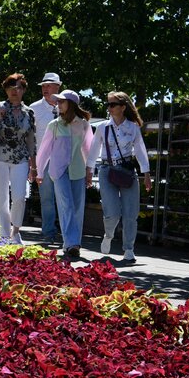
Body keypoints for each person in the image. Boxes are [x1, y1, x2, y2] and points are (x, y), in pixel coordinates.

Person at [88, 91, 151, 265]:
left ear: (123, 107)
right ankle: (108, 235)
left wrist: (146, 173)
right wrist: (89, 170)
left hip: (127, 171)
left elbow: (140, 150)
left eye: (113, 104)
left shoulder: (133, 127)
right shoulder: (103, 127)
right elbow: (94, 149)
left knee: (131, 213)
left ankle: (128, 249)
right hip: (107, 170)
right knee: (112, 212)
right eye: (108, 104)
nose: (109, 107)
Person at [35, 89, 93, 258]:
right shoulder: (54, 125)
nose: (58, 104)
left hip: (78, 171)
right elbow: (44, 150)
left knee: (77, 207)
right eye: (58, 102)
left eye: (61, 101)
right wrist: (39, 171)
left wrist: (90, 170)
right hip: (58, 171)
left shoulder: (83, 124)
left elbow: (88, 149)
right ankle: (71, 243)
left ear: (71, 104)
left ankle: (72, 242)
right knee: (66, 204)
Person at [0, 73, 37, 244]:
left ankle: (16, 230)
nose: (15, 90)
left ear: (24, 90)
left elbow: (31, 139)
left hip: (20, 158)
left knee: (20, 196)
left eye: (19, 87)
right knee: (2, 197)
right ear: (5, 89)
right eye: (11, 87)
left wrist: (33, 166)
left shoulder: (29, 112)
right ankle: (4, 235)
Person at [28, 72, 64, 242]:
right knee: (47, 198)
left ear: (58, 86)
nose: (45, 88)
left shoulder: (67, 107)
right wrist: (32, 164)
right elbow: (29, 138)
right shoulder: (33, 108)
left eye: (49, 85)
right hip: (44, 161)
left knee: (65, 198)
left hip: (65, 160)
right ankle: (49, 233)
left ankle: (68, 234)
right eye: (43, 86)